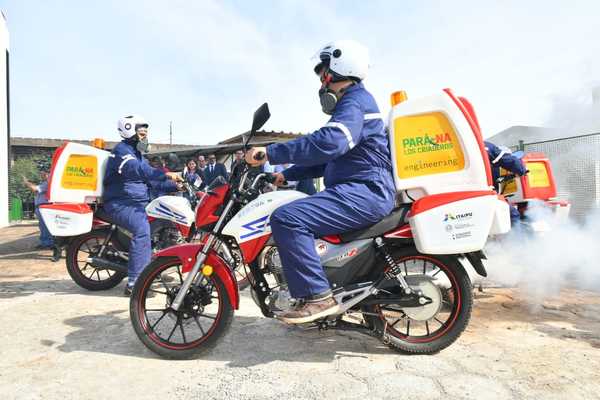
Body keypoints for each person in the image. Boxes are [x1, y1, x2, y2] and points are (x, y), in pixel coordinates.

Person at [246, 40, 396, 324]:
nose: (321, 81)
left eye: (323, 73)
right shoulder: (354, 103)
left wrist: (271, 151)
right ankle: (311, 289)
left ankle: (318, 297)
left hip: (366, 190)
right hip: (359, 187)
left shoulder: (355, 101)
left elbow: (331, 141)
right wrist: (285, 175)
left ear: (340, 67)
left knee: (288, 219)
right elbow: (329, 159)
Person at [103, 115, 183, 296]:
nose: (145, 138)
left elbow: (151, 182)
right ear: (129, 132)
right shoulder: (122, 151)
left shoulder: (137, 155)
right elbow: (138, 170)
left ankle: (151, 266)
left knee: (163, 222)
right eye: (141, 134)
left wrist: (174, 185)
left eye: (145, 134)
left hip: (138, 202)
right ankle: (135, 282)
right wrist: (166, 173)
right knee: (142, 230)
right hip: (120, 203)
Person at [484, 141, 527, 224]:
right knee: (513, 215)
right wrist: (521, 171)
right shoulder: (485, 147)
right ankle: (517, 237)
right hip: (486, 194)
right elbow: (510, 161)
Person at [23, 170, 61, 261]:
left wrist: (26, 182)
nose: (42, 175)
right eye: (41, 173)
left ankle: (51, 245)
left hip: (45, 208)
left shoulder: (48, 183)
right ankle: (45, 243)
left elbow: (35, 189)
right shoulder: (45, 183)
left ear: (48, 174)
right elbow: (36, 191)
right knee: (43, 227)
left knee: (46, 227)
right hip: (41, 208)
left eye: (44, 174)